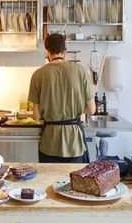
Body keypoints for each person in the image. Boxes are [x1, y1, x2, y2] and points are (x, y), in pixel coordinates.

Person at [28, 33, 96, 163]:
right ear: (65, 50)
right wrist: (74, 110)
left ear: (46, 51)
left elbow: (36, 115)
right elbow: (91, 109)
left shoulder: (38, 74)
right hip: (74, 142)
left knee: (50, 181)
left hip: (50, 142)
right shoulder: (80, 71)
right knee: (75, 182)